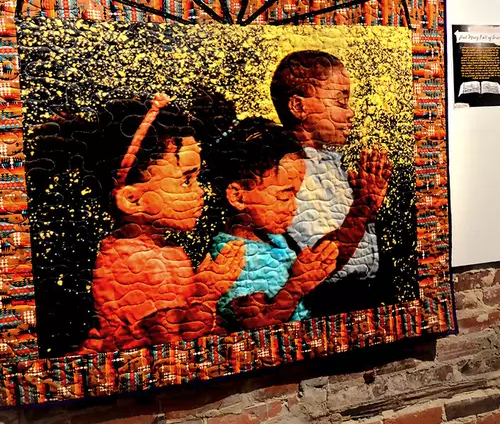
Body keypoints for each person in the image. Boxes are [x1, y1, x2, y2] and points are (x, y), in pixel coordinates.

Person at [76, 94, 245, 353]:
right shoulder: (129, 261)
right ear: (132, 200)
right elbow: (168, 343)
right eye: (186, 180)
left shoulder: (167, 250)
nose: (201, 191)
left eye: (197, 179)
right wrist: (207, 292)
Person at [269, 51, 392, 315]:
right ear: (299, 107)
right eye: (341, 102)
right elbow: (324, 258)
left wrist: (369, 207)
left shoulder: (329, 162)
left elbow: (349, 232)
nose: (351, 112)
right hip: (326, 301)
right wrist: (363, 206)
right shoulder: (291, 171)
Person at [207, 117, 338, 329]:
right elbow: (255, 326)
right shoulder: (232, 257)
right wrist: (298, 285)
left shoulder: (270, 236)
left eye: (295, 195)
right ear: (238, 197)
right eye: (284, 196)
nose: (294, 206)